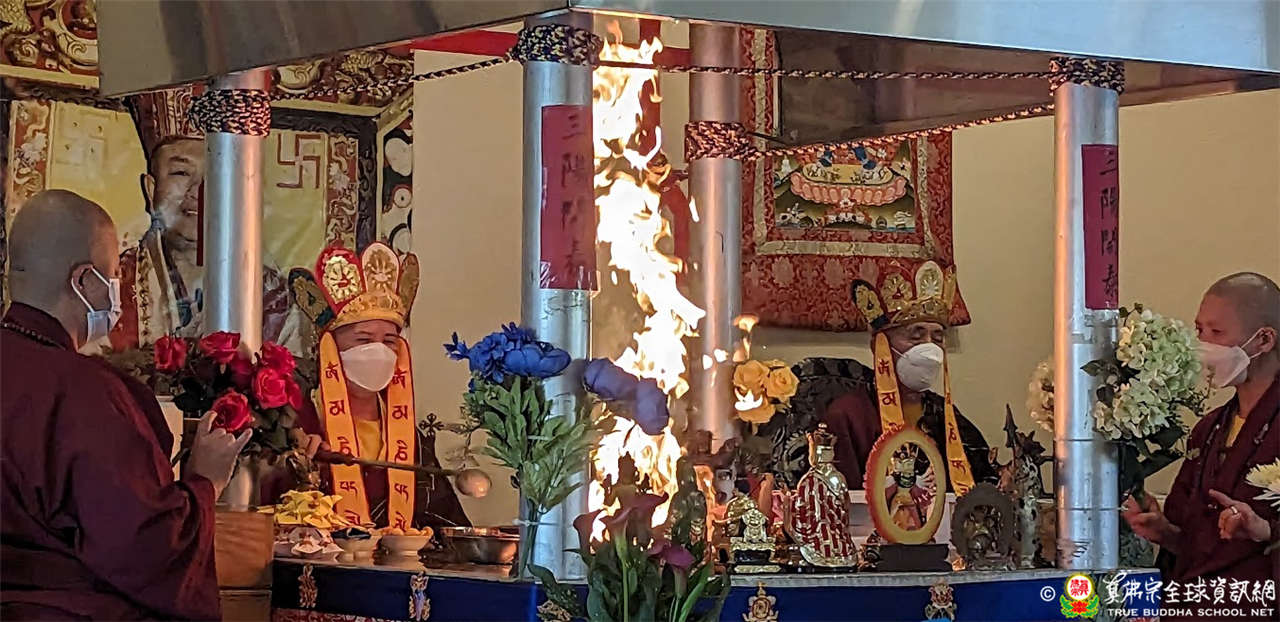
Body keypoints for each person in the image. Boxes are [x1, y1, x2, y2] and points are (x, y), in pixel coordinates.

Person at [1, 190, 247, 620]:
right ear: (83, 282)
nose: (119, 291)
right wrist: (205, 482)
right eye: (114, 276)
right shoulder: (82, 394)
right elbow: (145, 547)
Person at [285, 242, 469, 529]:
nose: (378, 351)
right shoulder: (299, 423)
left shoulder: (410, 438)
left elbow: (447, 525)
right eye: (363, 340)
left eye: (389, 341)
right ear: (330, 348)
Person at [1123, 272, 1279, 603]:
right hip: (1197, 601)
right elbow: (1192, 543)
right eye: (1199, 330)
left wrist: (1265, 530)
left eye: (1216, 332)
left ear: (1264, 340)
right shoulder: (1209, 428)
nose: (1203, 345)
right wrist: (1163, 531)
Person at [109, 86, 300, 351]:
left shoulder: (271, 297)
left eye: (216, 175)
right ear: (151, 190)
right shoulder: (113, 285)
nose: (199, 191)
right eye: (181, 173)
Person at [820, 261, 995, 493]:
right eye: (916, 336)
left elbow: (981, 488)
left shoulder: (943, 414)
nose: (929, 349)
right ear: (879, 346)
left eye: (937, 338)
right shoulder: (848, 416)